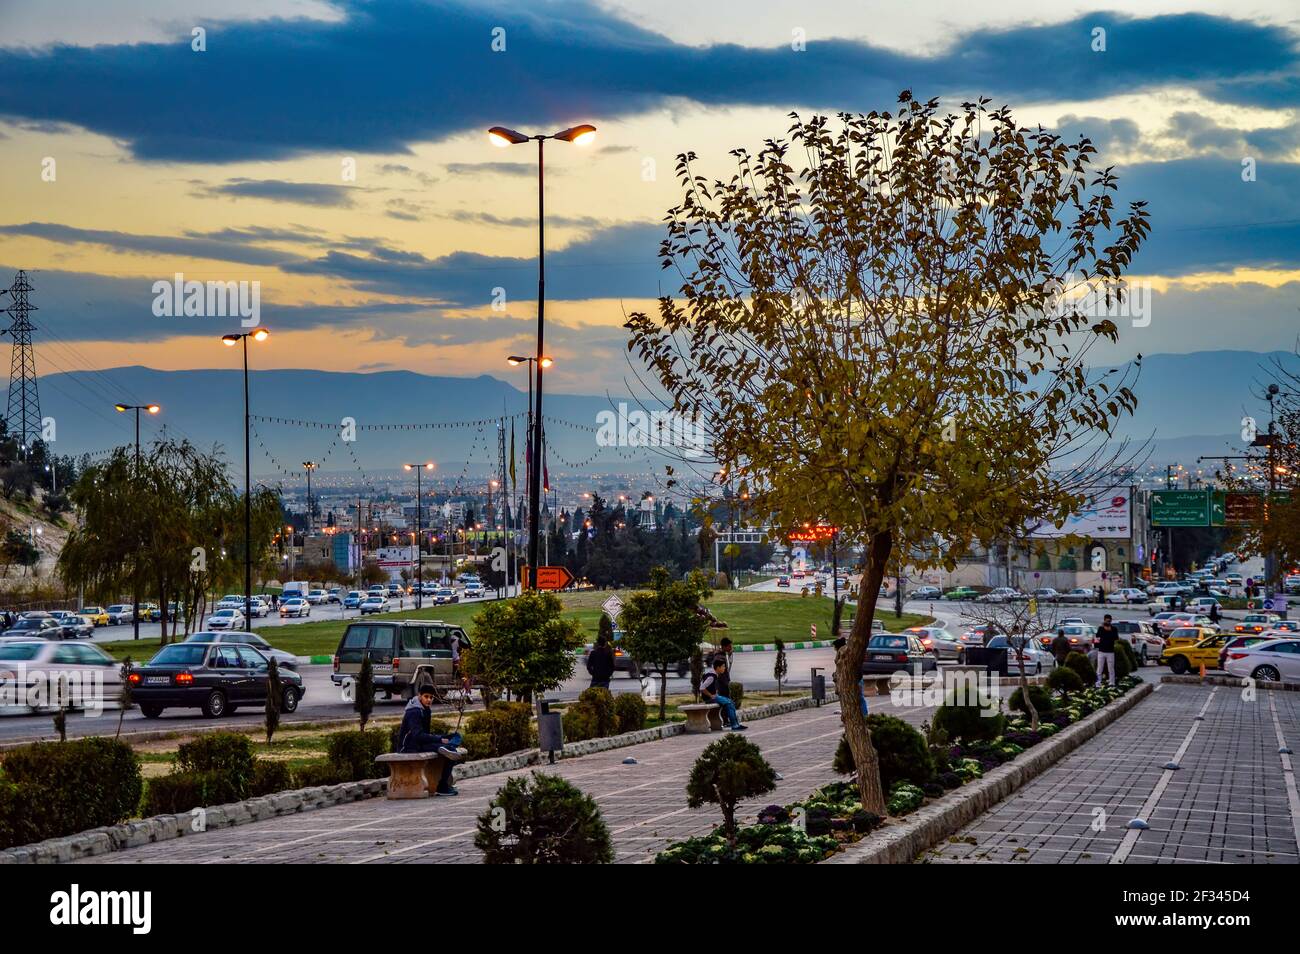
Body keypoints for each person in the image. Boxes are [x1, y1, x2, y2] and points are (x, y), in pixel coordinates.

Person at [397, 683, 466, 796]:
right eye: (426, 696)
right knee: (449, 750)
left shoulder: (426, 710)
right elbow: (418, 736)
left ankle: (448, 746)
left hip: (421, 743)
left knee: (455, 736)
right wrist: (438, 740)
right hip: (410, 746)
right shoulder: (414, 711)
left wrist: (440, 738)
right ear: (420, 696)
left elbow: (425, 734)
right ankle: (443, 786)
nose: (429, 700)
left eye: (431, 697)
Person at [700, 656, 746, 730]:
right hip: (709, 699)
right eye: (723, 666)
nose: (724, 668)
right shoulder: (711, 676)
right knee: (729, 703)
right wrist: (711, 695)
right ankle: (734, 725)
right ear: (718, 667)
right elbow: (701, 688)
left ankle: (736, 724)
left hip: (714, 696)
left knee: (730, 702)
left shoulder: (712, 673)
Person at [1094, 614, 1120, 687]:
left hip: (1110, 651)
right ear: (1104, 620)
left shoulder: (1114, 629)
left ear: (1111, 620)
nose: (1108, 622)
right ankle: (1098, 683)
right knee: (1099, 668)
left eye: (1109, 620)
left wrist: (1109, 631)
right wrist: (1103, 628)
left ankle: (1112, 682)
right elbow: (1097, 636)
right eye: (1106, 620)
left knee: (1111, 668)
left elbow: (1116, 638)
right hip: (1101, 651)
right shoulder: (1101, 628)